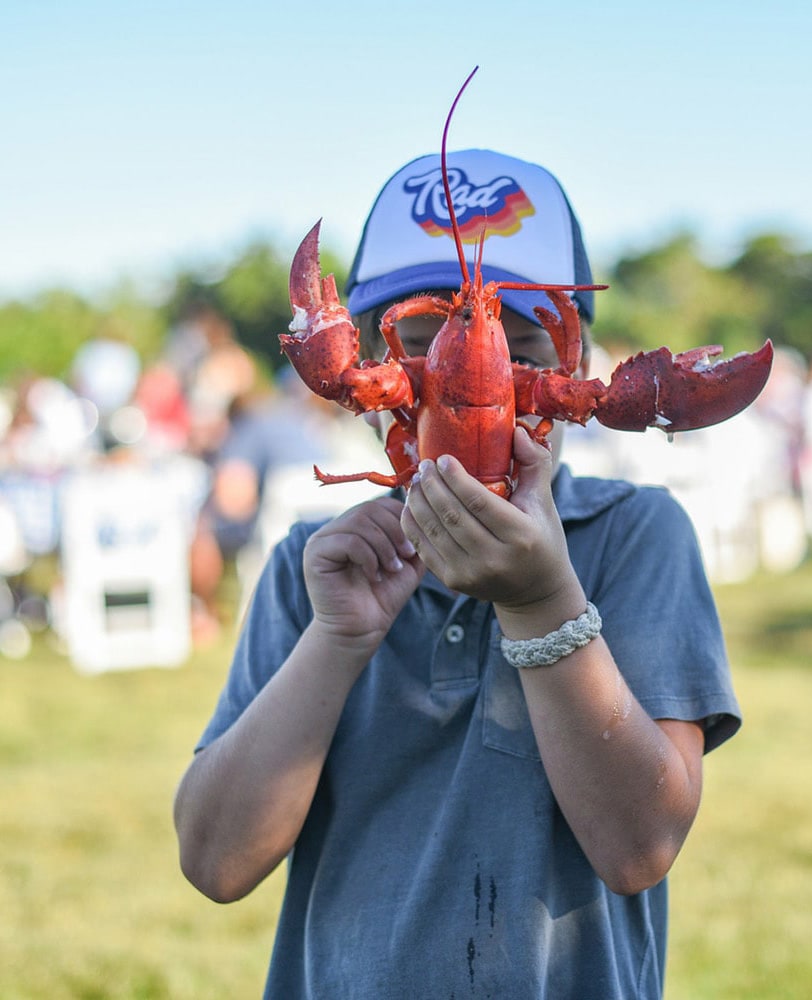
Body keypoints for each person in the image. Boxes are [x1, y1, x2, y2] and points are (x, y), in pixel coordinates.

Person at [173, 148, 741, 998]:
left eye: (528, 348)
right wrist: (336, 640)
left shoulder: (636, 538)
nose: (498, 381)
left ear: (573, 352)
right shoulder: (311, 571)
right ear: (359, 361)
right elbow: (216, 860)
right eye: (412, 343)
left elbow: (638, 849)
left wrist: (543, 603)